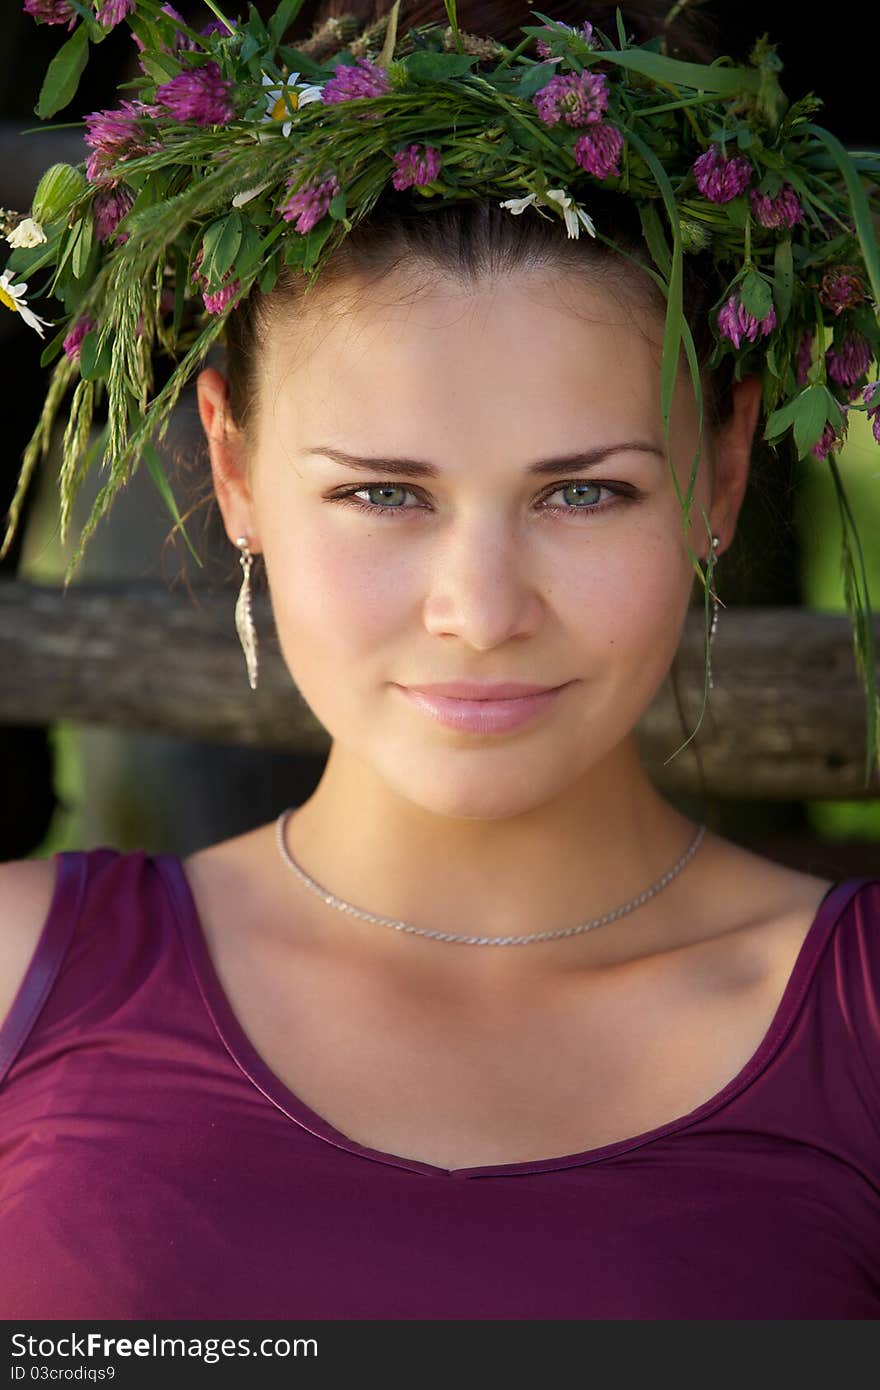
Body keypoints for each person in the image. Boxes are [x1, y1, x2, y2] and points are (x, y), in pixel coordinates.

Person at [1, 0, 878, 1319]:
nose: (480, 609)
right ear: (234, 466)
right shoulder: (18, 973)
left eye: (584, 495)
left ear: (726, 468)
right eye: (380, 495)